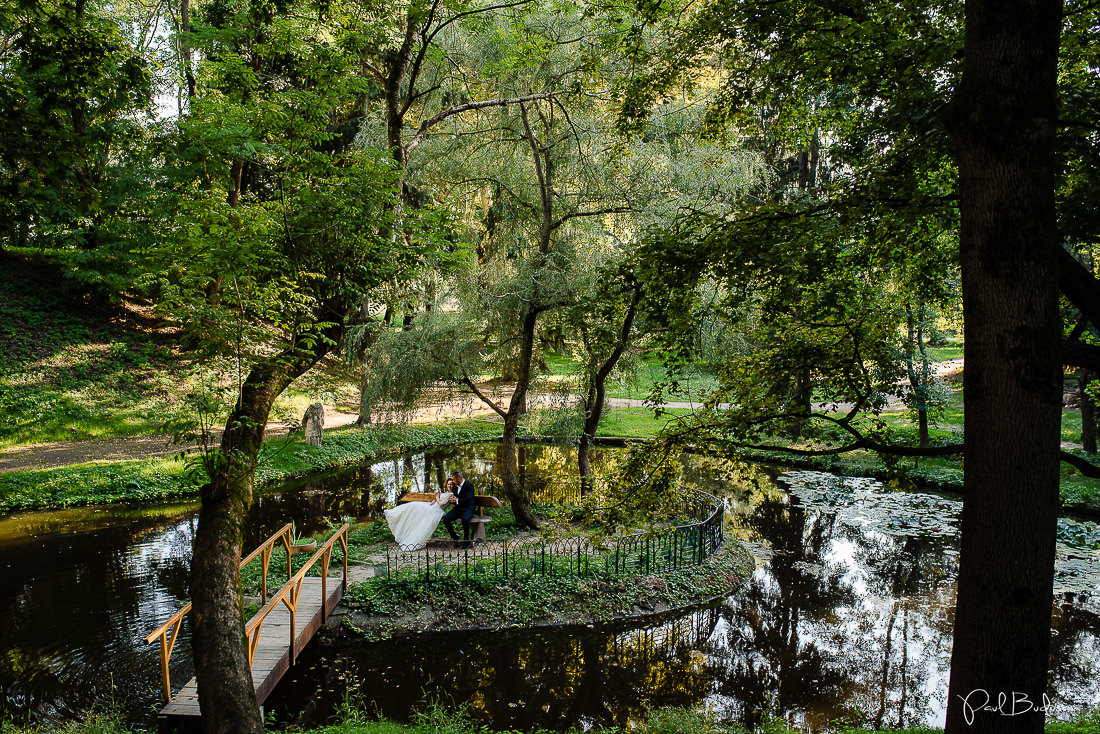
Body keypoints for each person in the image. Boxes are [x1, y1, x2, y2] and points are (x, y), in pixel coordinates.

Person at [384, 479, 455, 550]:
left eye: (451, 484)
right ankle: (394, 513)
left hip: (437, 510)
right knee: (413, 506)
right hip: (433, 506)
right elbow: (439, 501)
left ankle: (394, 514)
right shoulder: (445, 493)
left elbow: (440, 504)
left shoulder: (451, 494)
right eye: (448, 484)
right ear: (446, 485)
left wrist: (437, 496)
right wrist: (435, 500)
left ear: (453, 485)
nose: (449, 486)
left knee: (414, 506)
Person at [442, 471, 476, 545]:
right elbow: (450, 493)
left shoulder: (469, 486)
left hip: (468, 508)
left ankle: (466, 541)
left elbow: (468, 498)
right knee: (446, 519)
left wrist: (456, 500)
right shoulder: (456, 486)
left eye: (454, 480)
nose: (453, 481)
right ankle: (455, 537)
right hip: (458, 509)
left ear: (459, 478)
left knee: (465, 519)